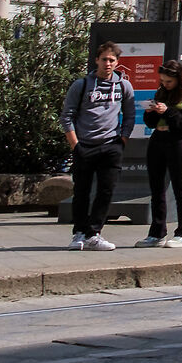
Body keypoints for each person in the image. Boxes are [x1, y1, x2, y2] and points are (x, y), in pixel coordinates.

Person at [61, 44, 136, 251]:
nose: (108, 64)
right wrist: (75, 145)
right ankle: (79, 233)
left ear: (117, 62)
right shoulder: (82, 84)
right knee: (82, 192)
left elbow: (130, 115)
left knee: (106, 191)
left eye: (112, 60)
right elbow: (67, 116)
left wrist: (123, 139)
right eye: (104, 59)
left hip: (111, 146)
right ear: (96, 60)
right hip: (84, 146)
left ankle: (94, 233)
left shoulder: (123, 86)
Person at [138, 59, 182, 248]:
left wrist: (168, 112)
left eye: (169, 81)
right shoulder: (161, 92)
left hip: (177, 142)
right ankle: (157, 232)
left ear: (178, 79)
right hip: (157, 141)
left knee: (180, 189)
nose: (165, 84)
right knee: (156, 189)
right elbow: (150, 122)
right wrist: (152, 111)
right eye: (162, 81)